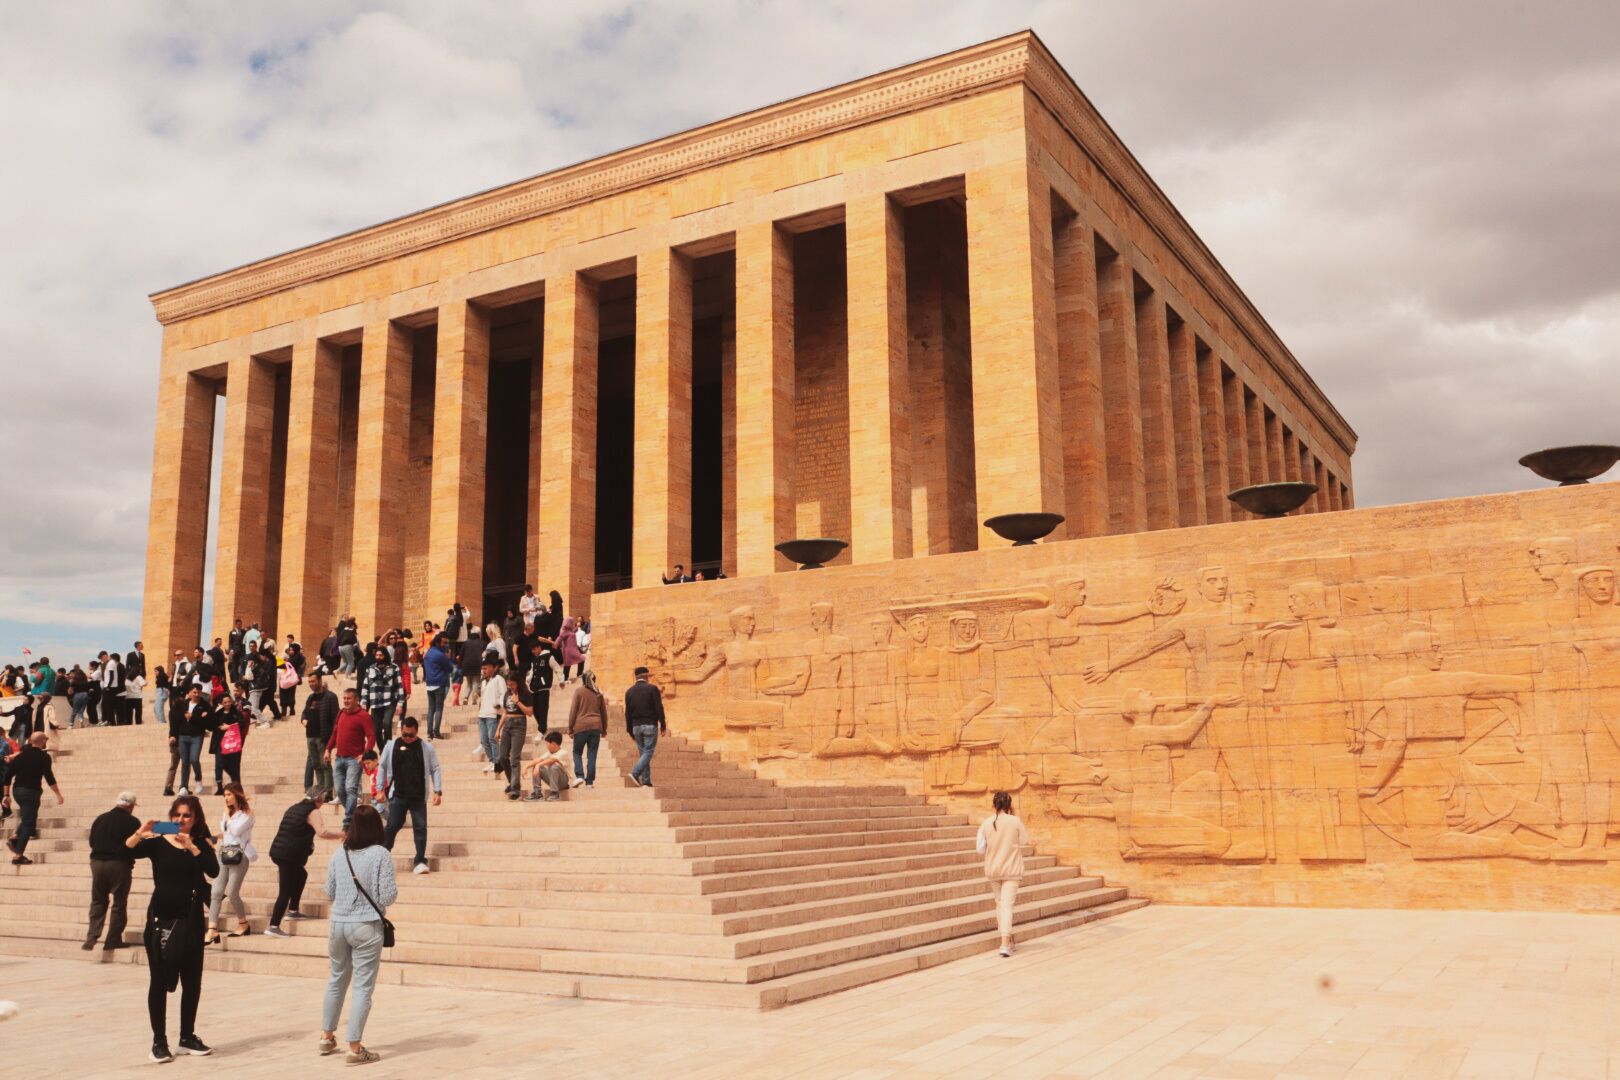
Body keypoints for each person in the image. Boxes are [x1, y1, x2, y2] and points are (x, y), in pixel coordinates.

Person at [126, 794, 218, 1063]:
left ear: (196, 819)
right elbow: (126, 850)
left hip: (190, 920)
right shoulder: (157, 844)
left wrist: (192, 846)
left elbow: (212, 870)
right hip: (162, 920)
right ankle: (159, 1042)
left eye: (186, 815)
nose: (180, 820)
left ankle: (187, 1036)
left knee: (192, 981)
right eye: (176, 815)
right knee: (158, 980)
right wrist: (140, 833)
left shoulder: (199, 842)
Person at [320, 803, 396, 1066]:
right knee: (363, 986)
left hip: (338, 923)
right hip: (366, 925)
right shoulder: (381, 854)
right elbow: (387, 895)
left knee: (336, 979)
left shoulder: (340, 852)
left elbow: (328, 890)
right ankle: (354, 1047)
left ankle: (326, 1036)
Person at [264, 786, 344, 938]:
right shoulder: (313, 811)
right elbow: (322, 832)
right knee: (285, 891)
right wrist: (341, 834)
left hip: (281, 851)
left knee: (301, 875)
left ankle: (293, 910)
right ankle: (273, 926)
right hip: (288, 855)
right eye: (324, 799)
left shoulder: (294, 807)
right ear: (318, 799)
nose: (324, 802)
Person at [377, 717, 442, 874]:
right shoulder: (391, 746)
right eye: (404, 734)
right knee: (392, 825)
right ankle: (382, 858)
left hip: (418, 795)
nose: (406, 738)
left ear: (416, 732)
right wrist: (379, 789)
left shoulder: (426, 747)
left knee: (420, 827)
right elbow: (382, 766)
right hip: (398, 794)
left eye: (410, 735)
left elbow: (435, 768)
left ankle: (419, 860)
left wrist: (437, 790)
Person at [84, 790, 140, 951]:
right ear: (131, 806)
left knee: (98, 901)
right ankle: (112, 940)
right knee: (119, 903)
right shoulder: (132, 821)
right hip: (118, 864)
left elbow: (92, 841)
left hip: (97, 863)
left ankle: (91, 937)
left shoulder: (100, 819)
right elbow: (134, 845)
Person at [976, 791, 1028, 958]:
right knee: (1006, 905)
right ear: (1009, 805)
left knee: (1000, 904)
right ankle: (1005, 943)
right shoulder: (1015, 821)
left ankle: (1007, 940)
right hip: (1011, 869)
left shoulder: (986, 823)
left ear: (994, 805)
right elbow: (1023, 841)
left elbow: (980, 849)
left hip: (993, 869)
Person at [206, 783, 256, 943]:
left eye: (228, 794)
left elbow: (235, 831)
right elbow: (227, 833)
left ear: (236, 794)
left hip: (240, 855)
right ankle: (212, 929)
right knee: (215, 893)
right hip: (224, 854)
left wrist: (227, 816)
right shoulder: (227, 813)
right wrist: (212, 836)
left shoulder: (248, 813)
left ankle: (243, 923)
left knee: (232, 892)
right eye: (224, 795)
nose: (226, 798)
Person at [4, 732, 63, 865]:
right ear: (42, 741)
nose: (46, 741)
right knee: (28, 823)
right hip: (31, 792)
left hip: (17, 791)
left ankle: (15, 837)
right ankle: (18, 855)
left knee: (29, 816)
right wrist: (58, 794)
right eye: (46, 739)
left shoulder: (21, 756)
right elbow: (49, 777)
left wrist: (6, 795)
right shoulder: (44, 757)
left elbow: (7, 776)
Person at [325, 688, 377, 830]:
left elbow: (371, 736)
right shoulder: (341, 713)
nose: (346, 701)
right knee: (340, 790)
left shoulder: (364, 715)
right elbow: (335, 733)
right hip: (339, 758)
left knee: (351, 788)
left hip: (354, 760)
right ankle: (354, 817)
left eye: (349, 698)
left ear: (356, 700)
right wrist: (328, 749)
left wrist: (365, 754)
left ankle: (347, 823)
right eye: (345, 698)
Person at [624, 665, 666, 789]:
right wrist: (662, 724)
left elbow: (628, 713)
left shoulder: (629, 691)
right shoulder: (652, 689)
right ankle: (635, 773)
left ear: (636, 677)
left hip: (636, 726)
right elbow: (659, 707)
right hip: (649, 724)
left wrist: (629, 729)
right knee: (648, 752)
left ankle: (646, 781)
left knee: (643, 753)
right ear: (646, 676)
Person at [302, 671, 338, 801]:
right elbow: (304, 713)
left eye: (313, 681)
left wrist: (334, 738)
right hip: (310, 736)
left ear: (320, 680)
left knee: (325, 764)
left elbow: (336, 718)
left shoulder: (330, 697)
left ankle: (328, 791)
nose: (311, 684)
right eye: (309, 682)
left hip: (323, 737)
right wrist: (303, 720)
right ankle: (321, 789)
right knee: (316, 764)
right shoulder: (310, 698)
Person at [567, 669, 607, 788]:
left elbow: (573, 711)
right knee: (592, 753)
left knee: (577, 752)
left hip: (581, 727)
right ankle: (589, 782)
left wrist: (570, 728)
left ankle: (579, 776)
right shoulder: (598, 693)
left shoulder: (579, 692)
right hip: (596, 727)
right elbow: (603, 713)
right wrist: (604, 729)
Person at [359, 644, 404, 745]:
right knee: (377, 730)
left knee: (387, 724)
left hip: (389, 702)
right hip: (375, 703)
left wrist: (400, 703)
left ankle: (388, 747)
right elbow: (365, 686)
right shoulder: (370, 669)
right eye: (377, 655)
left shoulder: (394, 668)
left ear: (385, 656)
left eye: (381, 655)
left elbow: (399, 686)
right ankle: (382, 750)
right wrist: (364, 701)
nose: (378, 657)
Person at [494, 680, 530, 801]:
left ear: (518, 683)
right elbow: (505, 711)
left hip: (519, 724)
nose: (510, 686)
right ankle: (513, 782)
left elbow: (529, 712)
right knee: (502, 757)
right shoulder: (507, 694)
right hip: (507, 724)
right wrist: (498, 729)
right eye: (508, 684)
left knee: (514, 757)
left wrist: (518, 702)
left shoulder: (525, 693)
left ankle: (515, 788)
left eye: (512, 684)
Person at [172, 685, 211, 795]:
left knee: (194, 759)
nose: (197, 694)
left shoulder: (205, 706)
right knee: (184, 762)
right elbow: (176, 721)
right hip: (183, 736)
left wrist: (193, 717)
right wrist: (172, 735)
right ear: (189, 693)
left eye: (199, 692)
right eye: (194, 692)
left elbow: (207, 722)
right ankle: (183, 786)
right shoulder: (183, 705)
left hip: (197, 736)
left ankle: (198, 780)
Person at [421, 633, 454, 740]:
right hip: (439, 684)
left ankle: (429, 732)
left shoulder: (429, 652)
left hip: (429, 684)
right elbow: (450, 668)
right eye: (444, 642)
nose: (446, 644)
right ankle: (436, 732)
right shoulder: (440, 655)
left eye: (447, 642)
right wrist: (449, 658)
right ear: (438, 642)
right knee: (439, 709)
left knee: (431, 709)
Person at [522, 732, 571, 801]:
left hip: (563, 782)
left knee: (553, 766)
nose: (546, 746)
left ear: (553, 744)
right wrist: (526, 766)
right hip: (553, 780)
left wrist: (538, 765)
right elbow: (539, 760)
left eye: (547, 744)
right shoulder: (549, 753)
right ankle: (537, 794)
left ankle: (554, 794)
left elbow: (552, 760)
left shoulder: (563, 752)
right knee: (538, 767)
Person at [213, 696, 248, 790]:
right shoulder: (218, 713)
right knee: (221, 764)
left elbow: (242, 723)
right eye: (225, 702)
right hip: (221, 742)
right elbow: (213, 725)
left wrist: (229, 727)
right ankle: (220, 786)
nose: (228, 704)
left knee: (235, 765)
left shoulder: (236, 712)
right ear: (222, 703)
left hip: (233, 743)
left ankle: (237, 785)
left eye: (229, 701)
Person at [476, 658, 505, 772]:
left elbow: (504, 694)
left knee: (493, 739)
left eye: (486, 668)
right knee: (484, 741)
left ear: (493, 668)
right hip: (482, 714)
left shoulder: (499, 679)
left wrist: (500, 704)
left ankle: (497, 763)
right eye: (482, 668)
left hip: (493, 714)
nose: (484, 670)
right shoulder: (483, 682)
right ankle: (492, 761)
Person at [457, 628, 484, 708]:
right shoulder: (481, 642)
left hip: (466, 665)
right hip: (477, 664)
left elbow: (460, 655)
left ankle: (465, 698)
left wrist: (460, 665)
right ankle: (474, 700)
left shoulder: (466, 643)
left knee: (469, 684)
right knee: (476, 682)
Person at [556, 617, 583, 685]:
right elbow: (560, 638)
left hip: (573, 649)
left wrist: (577, 626)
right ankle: (565, 678)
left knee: (580, 660)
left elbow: (572, 632)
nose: (573, 623)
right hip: (568, 650)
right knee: (568, 664)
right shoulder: (564, 632)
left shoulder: (569, 631)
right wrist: (556, 644)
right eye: (572, 622)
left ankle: (579, 674)